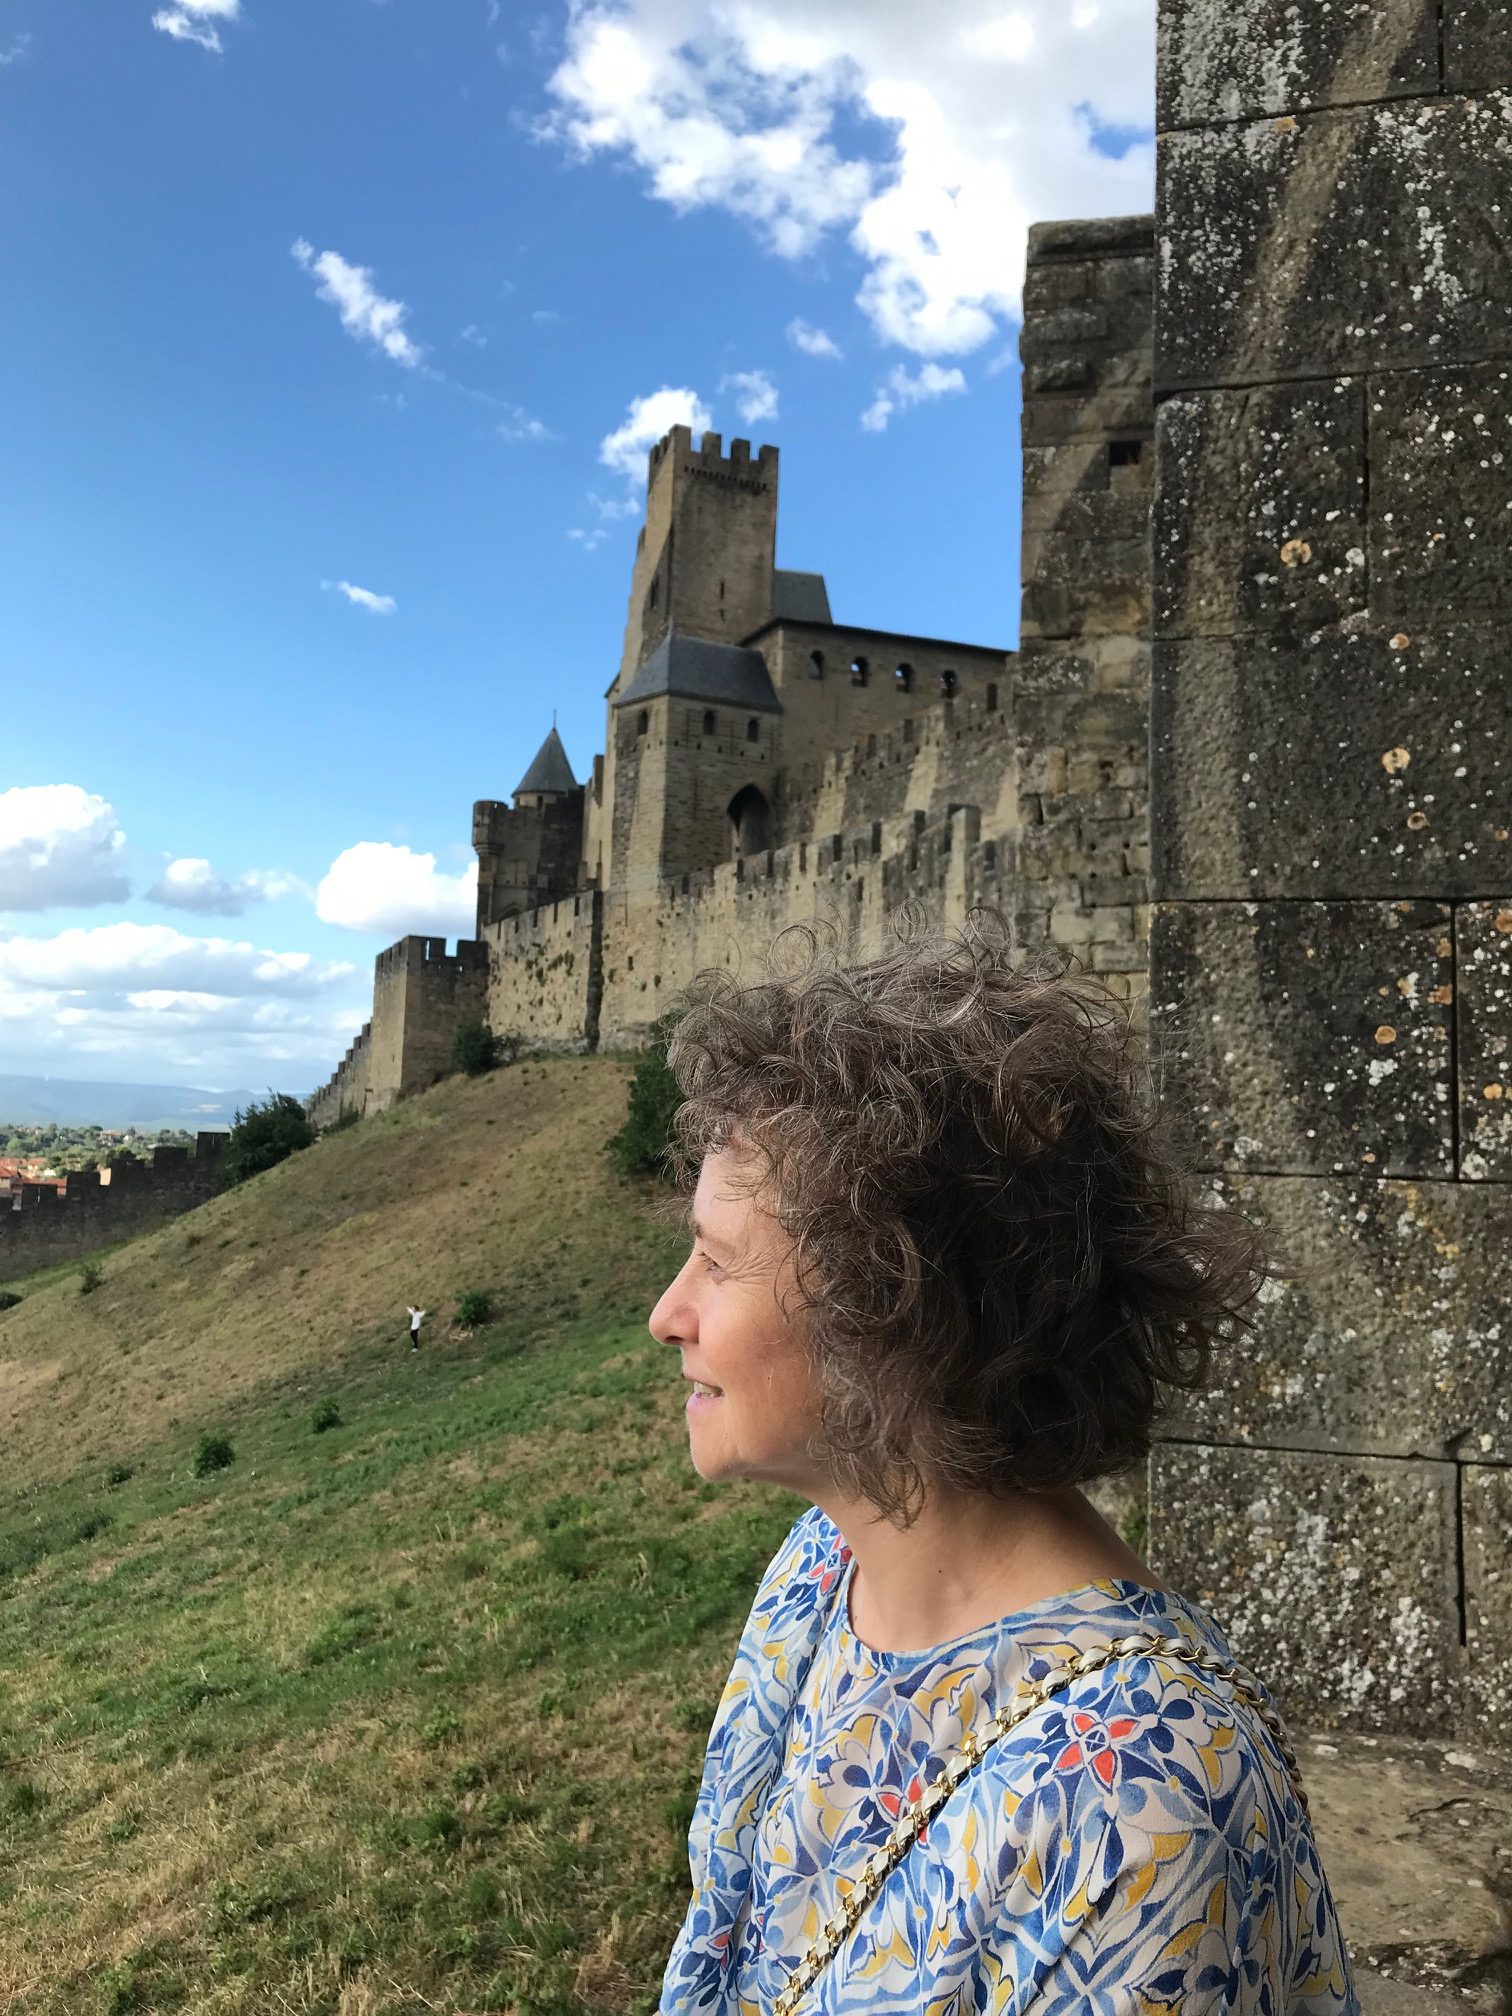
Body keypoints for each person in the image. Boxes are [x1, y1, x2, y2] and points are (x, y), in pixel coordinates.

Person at [650, 917, 1358, 2016]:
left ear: (895, 1307)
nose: (666, 1315)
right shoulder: (820, 1574)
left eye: (716, 1262)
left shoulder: (1141, 1804)